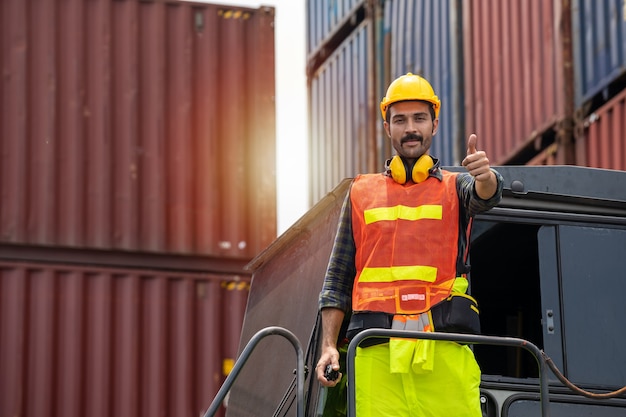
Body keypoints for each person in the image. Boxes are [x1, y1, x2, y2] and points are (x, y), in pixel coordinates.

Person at [315, 73, 503, 417]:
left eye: (419, 118)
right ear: (387, 128)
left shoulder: (456, 188)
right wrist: (328, 346)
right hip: (375, 357)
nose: (410, 128)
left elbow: (484, 196)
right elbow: (336, 282)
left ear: (434, 124)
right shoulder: (360, 193)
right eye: (400, 120)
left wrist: (486, 176)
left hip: (444, 353)